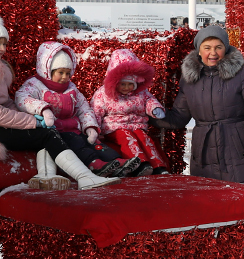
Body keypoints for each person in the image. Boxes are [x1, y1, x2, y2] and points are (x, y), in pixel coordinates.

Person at [0, 13, 115, 189]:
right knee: (46, 134)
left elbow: (7, 103)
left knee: (47, 132)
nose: (3, 48)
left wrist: (29, 115)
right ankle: (84, 177)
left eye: (4, 44)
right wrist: (32, 121)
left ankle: (49, 176)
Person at [15, 41, 146, 177]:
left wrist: (90, 126)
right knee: (76, 141)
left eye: (68, 73)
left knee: (94, 142)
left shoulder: (71, 89)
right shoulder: (35, 85)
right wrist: (43, 109)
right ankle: (94, 163)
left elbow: (84, 108)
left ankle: (116, 161)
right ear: (48, 70)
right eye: (61, 72)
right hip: (54, 132)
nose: (65, 77)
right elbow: (22, 98)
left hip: (74, 128)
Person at [156, 25, 244, 184]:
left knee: (238, 200)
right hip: (203, 151)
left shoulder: (242, 73)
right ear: (199, 50)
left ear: (226, 48)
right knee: (207, 201)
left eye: (218, 47)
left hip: (236, 147)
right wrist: (148, 114)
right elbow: (179, 117)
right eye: (207, 47)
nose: (213, 53)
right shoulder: (189, 78)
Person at [92, 48, 173, 174]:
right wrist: (94, 130)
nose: (126, 88)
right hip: (114, 127)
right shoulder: (103, 94)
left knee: (144, 138)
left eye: (130, 84)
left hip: (137, 126)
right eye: (122, 84)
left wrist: (155, 109)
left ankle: (158, 165)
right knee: (127, 137)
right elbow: (96, 111)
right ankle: (139, 163)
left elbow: (149, 100)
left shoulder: (141, 93)